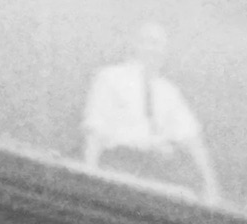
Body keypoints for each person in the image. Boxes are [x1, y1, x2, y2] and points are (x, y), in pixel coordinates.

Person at [80, 21, 220, 204]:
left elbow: (192, 139)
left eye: (159, 44)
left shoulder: (169, 92)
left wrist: (211, 186)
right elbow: (95, 127)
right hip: (119, 166)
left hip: (156, 175)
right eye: (147, 41)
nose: (153, 49)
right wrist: (89, 172)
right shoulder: (109, 78)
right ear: (134, 44)